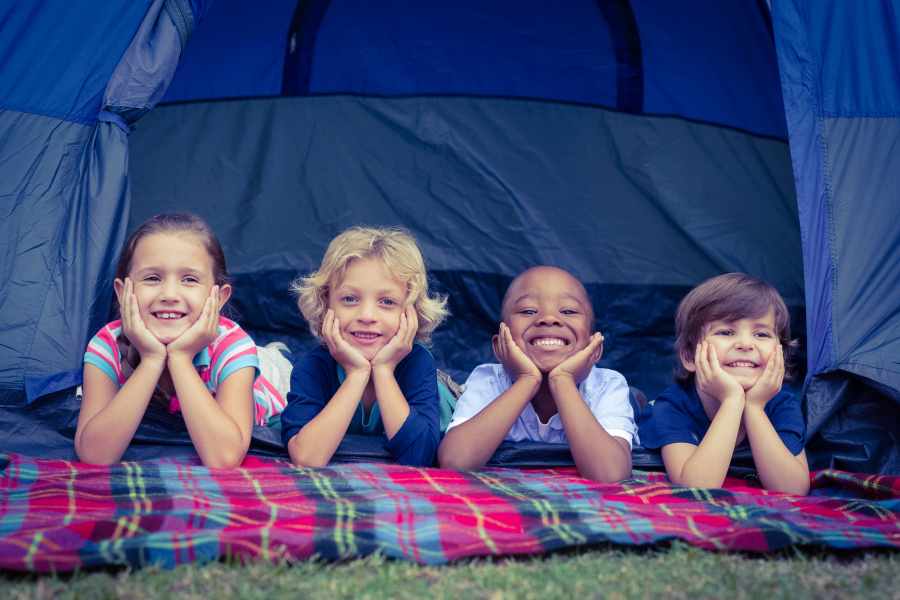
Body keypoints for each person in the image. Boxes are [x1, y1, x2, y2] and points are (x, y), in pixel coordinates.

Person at [76, 213, 284, 467]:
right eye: (152, 278)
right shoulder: (106, 344)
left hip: (268, 390)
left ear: (218, 298)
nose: (170, 294)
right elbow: (93, 455)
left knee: (276, 365)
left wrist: (181, 358)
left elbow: (224, 458)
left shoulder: (233, 347)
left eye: (189, 279)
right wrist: (152, 360)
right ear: (122, 292)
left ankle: (277, 354)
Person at [438, 266, 637, 483]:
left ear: (595, 348)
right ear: (499, 346)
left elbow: (610, 474)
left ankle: (638, 400)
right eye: (528, 311)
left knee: (634, 402)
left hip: (619, 401)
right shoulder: (488, 380)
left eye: (568, 311)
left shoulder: (607, 385)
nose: (549, 318)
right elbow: (455, 462)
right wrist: (527, 380)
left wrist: (563, 380)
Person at [282, 226, 449, 467]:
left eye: (387, 301)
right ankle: (277, 355)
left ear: (411, 312)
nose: (367, 315)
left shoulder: (418, 363)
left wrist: (383, 369)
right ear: (326, 304)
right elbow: (307, 457)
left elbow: (418, 457)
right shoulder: (313, 367)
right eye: (350, 299)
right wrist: (357, 374)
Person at [638, 273, 809, 494]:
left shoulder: (781, 401)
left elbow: (793, 489)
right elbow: (696, 486)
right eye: (726, 332)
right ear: (690, 356)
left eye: (761, 334)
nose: (746, 344)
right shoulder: (672, 405)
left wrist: (754, 407)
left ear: (781, 354)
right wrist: (732, 400)